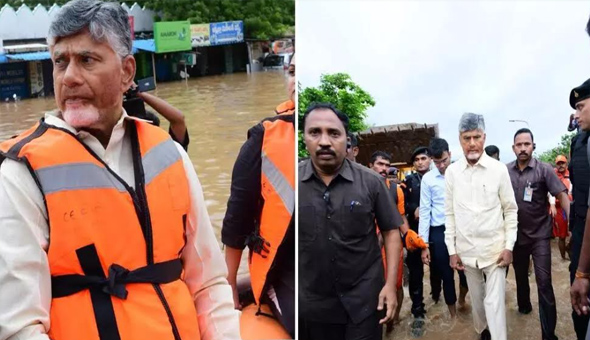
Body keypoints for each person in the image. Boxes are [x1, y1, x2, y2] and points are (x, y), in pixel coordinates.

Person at [0, 1, 240, 340]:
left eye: (86, 60)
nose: (69, 77)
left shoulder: (169, 154)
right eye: (59, 62)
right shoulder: (21, 172)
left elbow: (209, 285)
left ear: (127, 71)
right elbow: (18, 326)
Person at [299, 102, 403, 340]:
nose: (324, 141)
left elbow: (391, 232)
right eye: (315, 132)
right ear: (304, 137)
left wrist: (390, 286)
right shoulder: (291, 184)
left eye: (334, 133)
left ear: (347, 141)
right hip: (313, 306)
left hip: (365, 301)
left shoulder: (371, 182)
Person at [222, 54, 296, 337]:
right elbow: (236, 218)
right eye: (292, 71)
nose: (294, 80)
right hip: (282, 269)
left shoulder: (333, 146)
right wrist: (229, 284)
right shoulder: (263, 137)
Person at [444, 113, 518, 340]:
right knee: (477, 301)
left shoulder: (498, 170)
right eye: (467, 138)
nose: (472, 143)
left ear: (484, 138)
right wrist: (452, 250)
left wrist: (509, 246)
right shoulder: (452, 172)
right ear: (460, 139)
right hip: (467, 253)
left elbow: (510, 210)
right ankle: (481, 332)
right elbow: (450, 214)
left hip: (494, 251)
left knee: (494, 302)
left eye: (476, 137)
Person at [507, 128, 568, 340]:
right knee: (521, 277)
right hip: (516, 237)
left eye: (527, 144)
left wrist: (572, 221)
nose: (523, 148)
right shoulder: (505, 172)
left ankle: (548, 334)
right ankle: (524, 307)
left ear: (533, 146)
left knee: (544, 282)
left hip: (540, 236)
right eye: (519, 144)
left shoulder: (544, 170)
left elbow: (561, 194)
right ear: (513, 147)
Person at [419, 138, 468, 319]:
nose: (441, 165)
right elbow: (425, 211)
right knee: (446, 274)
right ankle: (453, 316)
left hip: (460, 229)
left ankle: (463, 298)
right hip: (438, 231)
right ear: (432, 159)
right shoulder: (428, 179)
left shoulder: (461, 173)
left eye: (444, 160)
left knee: (465, 273)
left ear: (450, 155)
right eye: (437, 162)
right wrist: (423, 244)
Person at [368, 150, 410, 332]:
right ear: (371, 166)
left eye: (387, 165)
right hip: (367, 246)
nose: (384, 169)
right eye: (380, 164)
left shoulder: (396, 190)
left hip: (391, 245)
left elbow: (401, 218)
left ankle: (393, 320)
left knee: (396, 283)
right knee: (371, 285)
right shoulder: (360, 186)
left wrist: (410, 239)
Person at [402, 146, 440, 323]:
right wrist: (414, 208)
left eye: (423, 158)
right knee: (416, 271)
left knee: (437, 268)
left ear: (430, 159)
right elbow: (402, 205)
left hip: (435, 233)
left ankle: (436, 294)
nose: (420, 162)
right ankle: (418, 309)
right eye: (416, 160)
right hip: (415, 233)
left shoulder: (440, 179)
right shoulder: (408, 181)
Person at [568, 78, 590, 340]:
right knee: (578, 303)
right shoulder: (579, 142)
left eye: (581, 107)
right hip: (581, 227)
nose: (575, 115)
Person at [551, 155, 573, 260]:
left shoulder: (572, 174)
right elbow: (549, 192)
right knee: (562, 235)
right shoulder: (553, 176)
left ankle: (569, 248)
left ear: (566, 163)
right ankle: (563, 258)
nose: (560, 165)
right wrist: (552, 205)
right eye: (558, 163)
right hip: (559, 209)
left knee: (576, 232)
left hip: (573, 206)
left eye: (562, 163)